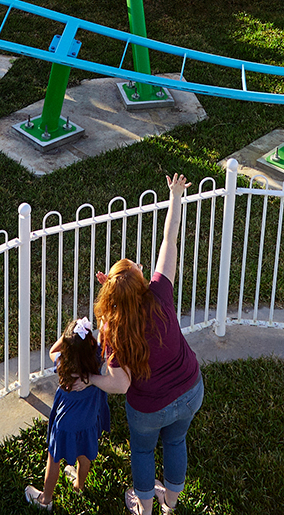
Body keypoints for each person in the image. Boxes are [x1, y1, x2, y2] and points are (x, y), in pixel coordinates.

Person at [87, 174, 203, 515]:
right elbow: (170, 239)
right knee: (176, 442)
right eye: (137, 268)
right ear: (141, 283)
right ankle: (171, 504)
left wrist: (92, 379)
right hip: (191, 389)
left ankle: (146, 509)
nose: (140, 265)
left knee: (142, 453)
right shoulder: (160, 293)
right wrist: (176, 195)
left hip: (148, 409)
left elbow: (120, 385)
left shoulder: (113, 329)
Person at [25, 318, 114, 511]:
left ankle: (45, 500)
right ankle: (79, 486)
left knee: (54, 459)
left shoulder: (62, 362)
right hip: (88, 420)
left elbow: (52, 351)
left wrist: (65, 338)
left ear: (67, 346)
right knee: (84, 454)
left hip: (65, 423)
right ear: (90, 340)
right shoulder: (97, 359)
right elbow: (104, 341)